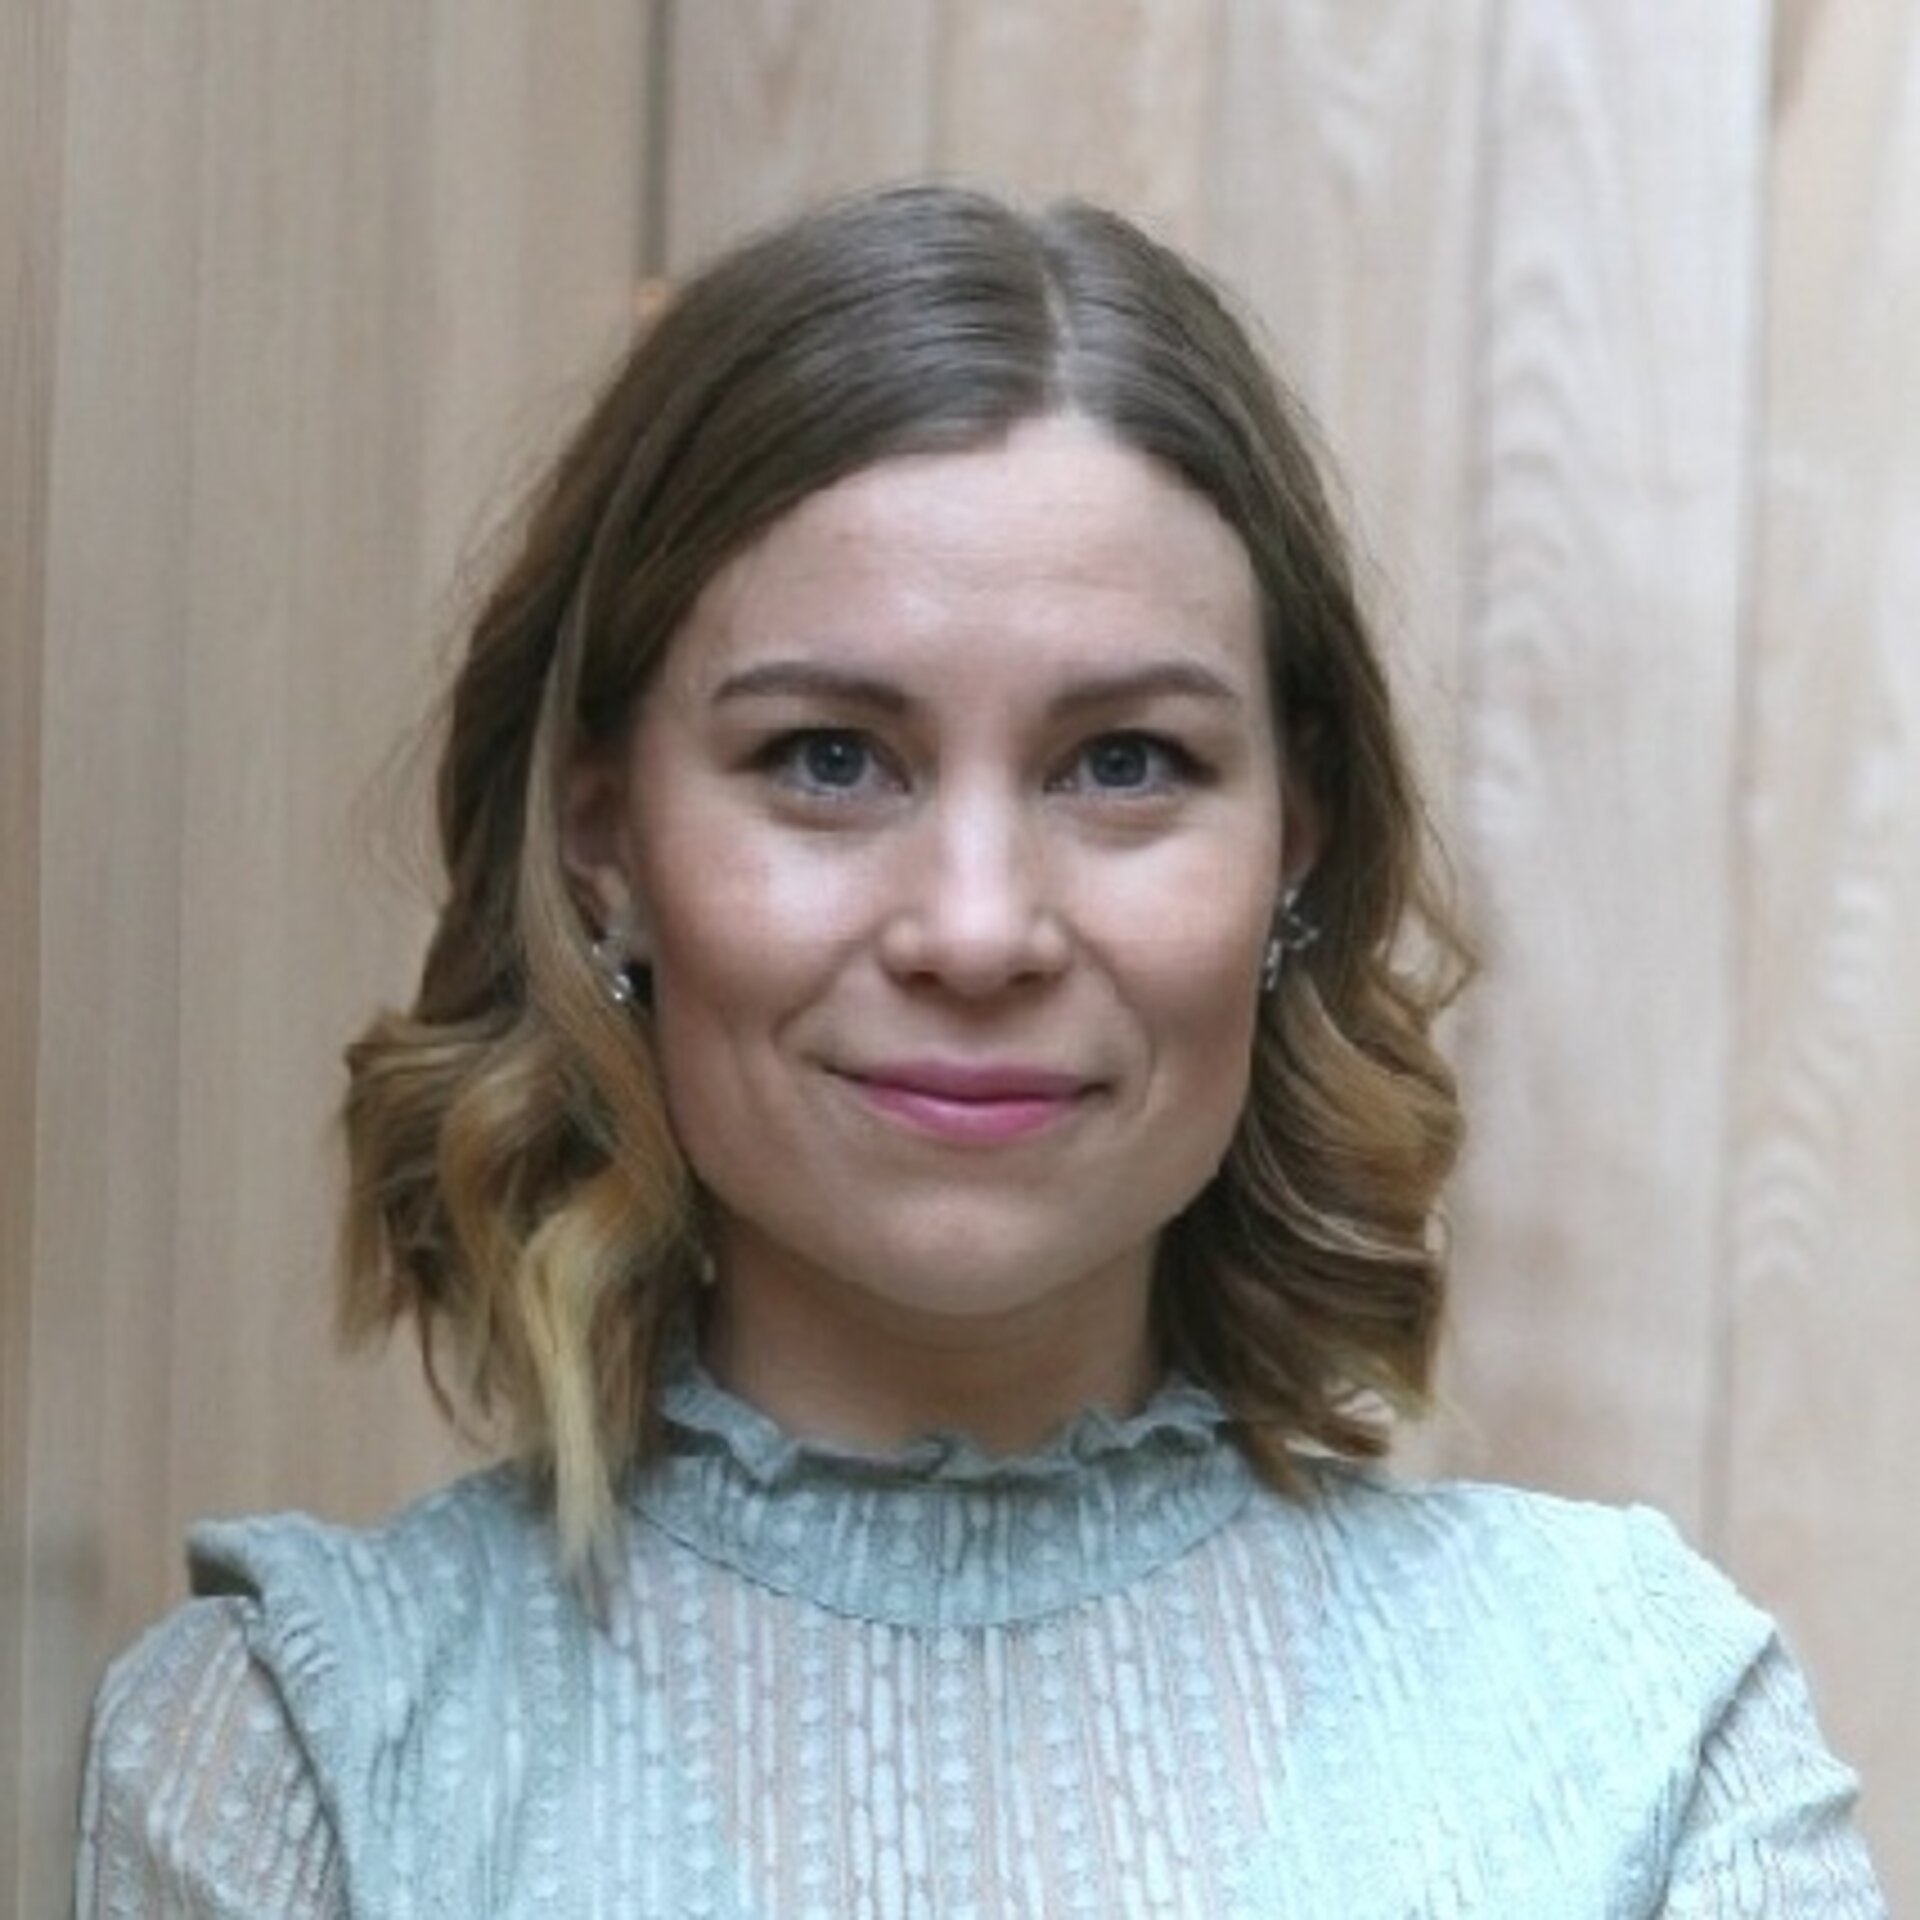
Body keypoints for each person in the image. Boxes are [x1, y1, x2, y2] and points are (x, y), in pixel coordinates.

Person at [76, 184, 1885, 1917]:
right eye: (828, 759)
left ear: (1297, 845)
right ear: (603, 842)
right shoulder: (302, 1754)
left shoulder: (1638, 1738)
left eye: (1125, 764)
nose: (977, 927)